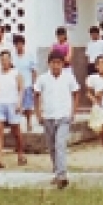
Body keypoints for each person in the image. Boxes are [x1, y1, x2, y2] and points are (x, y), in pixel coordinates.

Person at [34, 50, 80, 189]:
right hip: (48, 116)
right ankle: (57, 171)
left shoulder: (68, 77)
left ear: (63, 64)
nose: (56, 66)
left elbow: (76, 93)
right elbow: (36, 95)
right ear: (49, 64)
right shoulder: (43, 78)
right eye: (53, 63)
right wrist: (38, 113)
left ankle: (62, 176)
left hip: (64, 116)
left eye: (59, 63)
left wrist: (73, 111)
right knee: (52, 146)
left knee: (60, 144)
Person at [0, 50, 26, 169]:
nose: (4, 61)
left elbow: (21, 89)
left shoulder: (16, 73)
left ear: (10, 60)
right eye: (2, 59)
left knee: (16, 132)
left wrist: (19, 103)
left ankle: (20, 153)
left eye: (6, 59)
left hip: (12, 103)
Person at [85, 55, 103, 170]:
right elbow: (88, 93)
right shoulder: (92, 78)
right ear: (96, 66)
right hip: (99, 108)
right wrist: (95, 100)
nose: (102, 65)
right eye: (99, 63)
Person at [12, 35, 37, 132]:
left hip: (27, 84)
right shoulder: (12, 57)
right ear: (14, 45)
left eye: (20, 44)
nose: (19, 46)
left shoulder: (29, 55)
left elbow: (34, 71)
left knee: (28, 106)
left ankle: (29, 123)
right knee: (16, 106)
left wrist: (34, 84)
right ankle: (15, 125)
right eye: (17, 44)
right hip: (15, 86)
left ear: (23, 44)